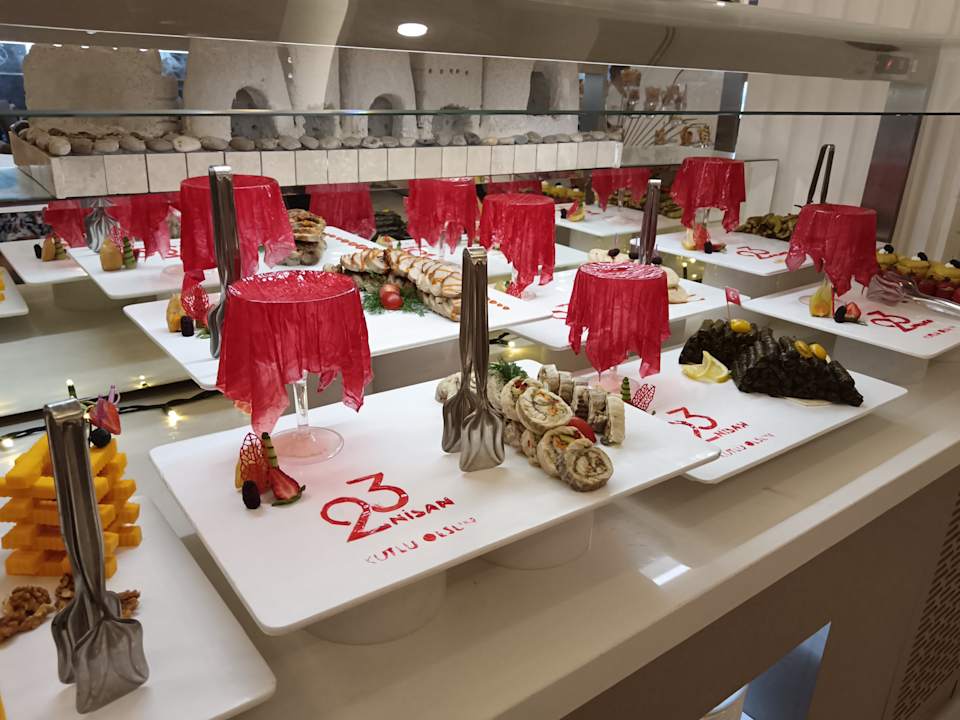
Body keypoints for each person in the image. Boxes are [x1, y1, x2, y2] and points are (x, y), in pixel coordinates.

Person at [605, 65, 640, 130]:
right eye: (624, 74)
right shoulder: (607, 91)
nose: (627, 79)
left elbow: (630, 114)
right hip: (609, 131)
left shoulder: (629, 91)